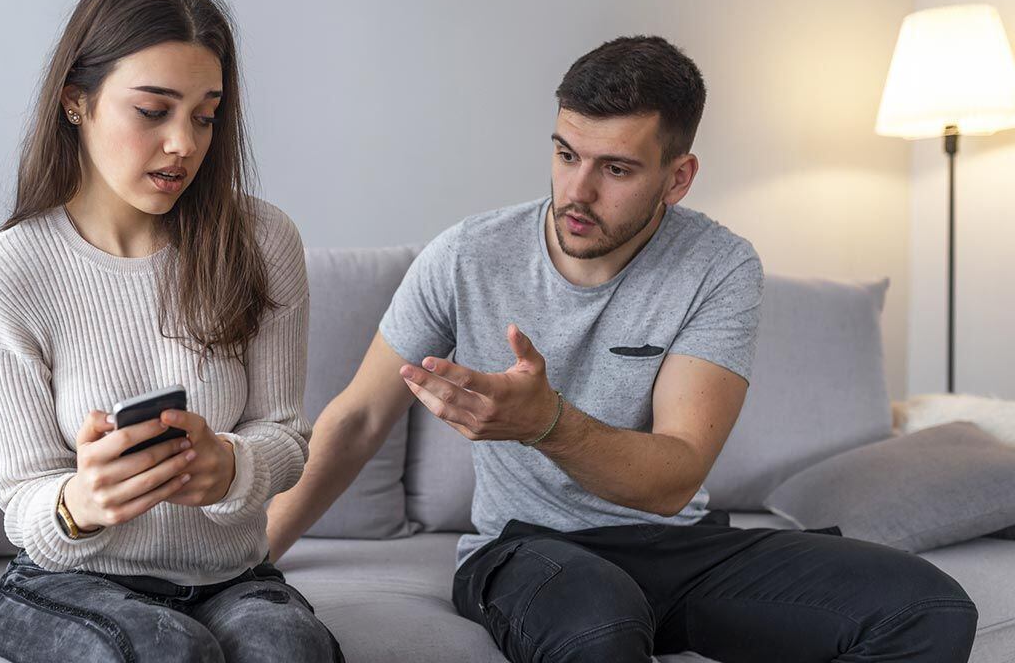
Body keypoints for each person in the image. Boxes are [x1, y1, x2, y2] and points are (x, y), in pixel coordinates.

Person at [267, 35, 977, 662]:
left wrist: (547, 422)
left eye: (615, 169)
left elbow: (672, 479)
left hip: (680, 546)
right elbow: (357, 420)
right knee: (597, 628)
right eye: (566, 154)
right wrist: (248, 560)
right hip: (527, 548)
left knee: (930, 608)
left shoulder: (719, 266)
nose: (576, 190)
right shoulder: (467, 256)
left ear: (678, 177)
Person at [0, 0, 341, 663]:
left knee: (289, 650)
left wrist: (229, 467)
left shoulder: (262, 241)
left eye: (205, 115)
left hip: (233, 576)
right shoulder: (3, 277)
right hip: (71, 582)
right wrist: (82, 500)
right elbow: (26, 508)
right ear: (78, 101)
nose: (184, 145)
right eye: (153, 110)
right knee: (169, 651)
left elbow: (285, 434)